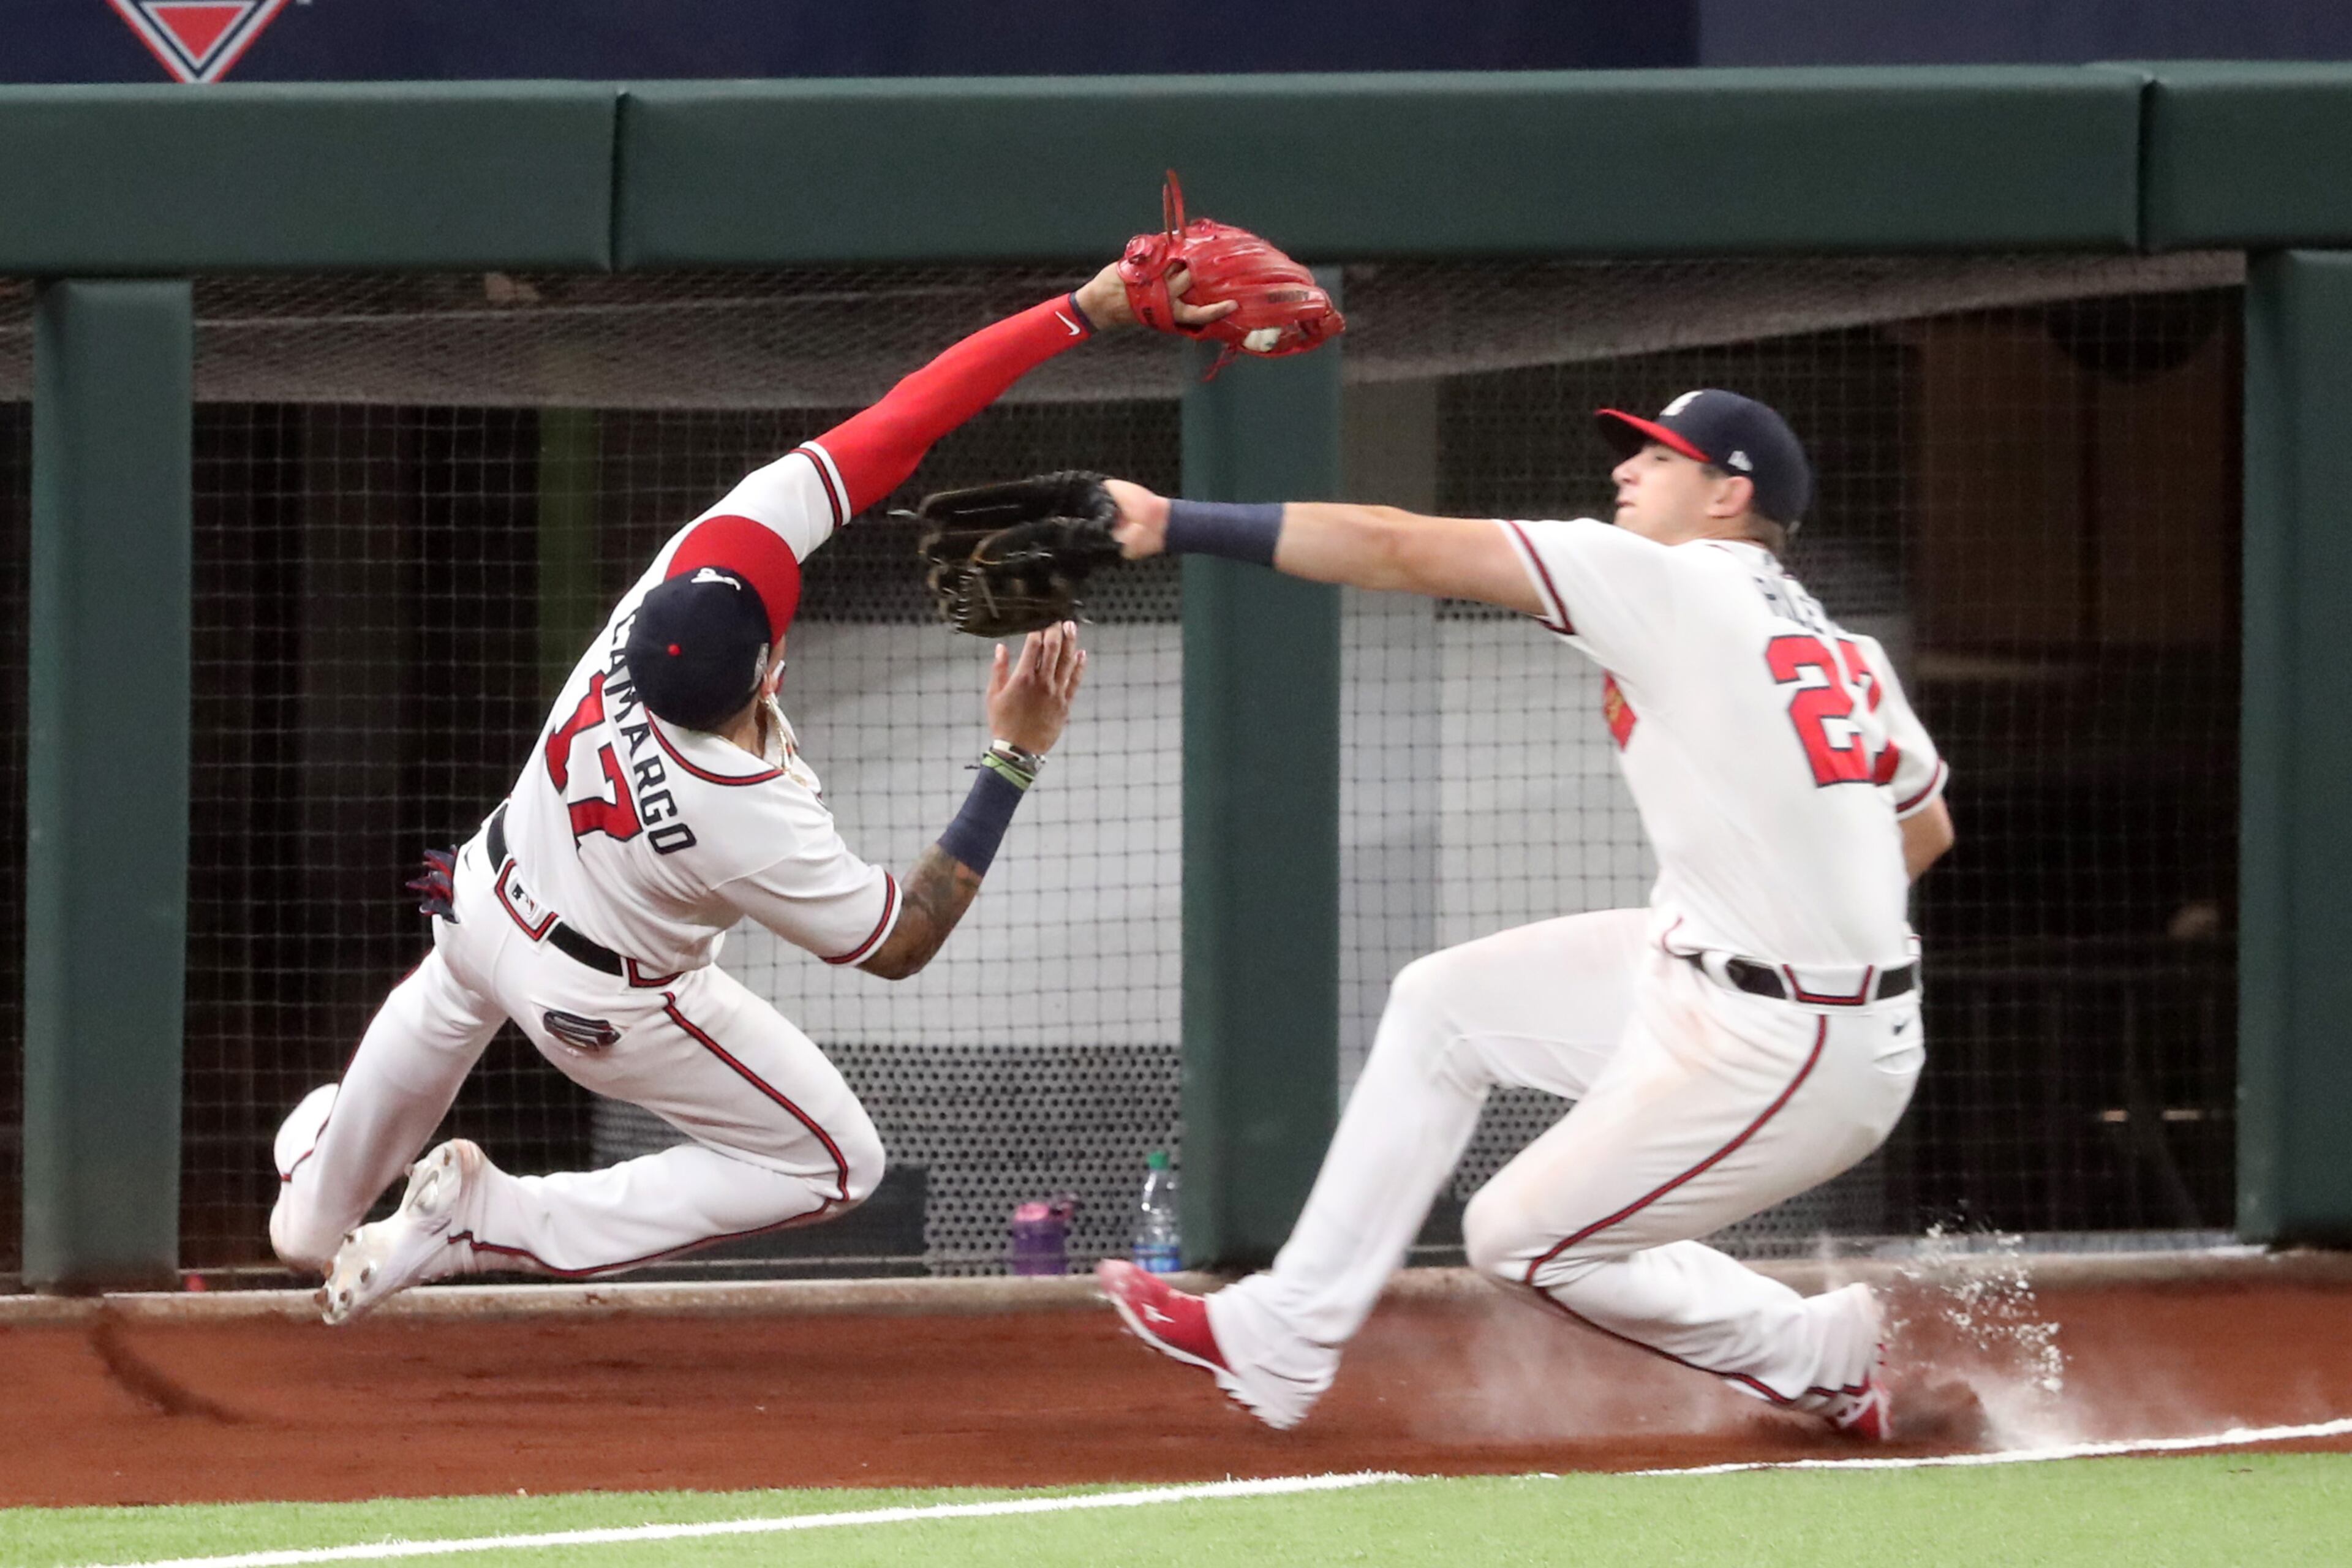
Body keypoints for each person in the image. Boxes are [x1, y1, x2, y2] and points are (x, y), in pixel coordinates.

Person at [270, 260, 1229, 1322]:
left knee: (304, 1233)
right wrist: (1014, 753)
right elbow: (899, 942)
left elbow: (904, 423)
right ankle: (492, 1222)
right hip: (598, 999)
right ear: (767, 672)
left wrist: (1080, 310)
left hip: (481, 901)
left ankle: (331, 1190)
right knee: (834, 1163)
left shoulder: (681, 574)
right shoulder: (738, 804)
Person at [1095, 390, 1955, 1438]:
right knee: (1443, 1003)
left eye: (1660, 458)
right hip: (1735, 976)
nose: (1624, 472)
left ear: (1730, 495)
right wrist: (1804, 913)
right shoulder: (1843, 648)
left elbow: (1395, 546)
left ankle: (1805, 1351)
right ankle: (1281, 1332)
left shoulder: (1669, 581)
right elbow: (1924, 829)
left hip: (1798, 1041)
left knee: (1518, 1241)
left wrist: (1175, 521)